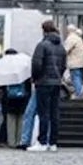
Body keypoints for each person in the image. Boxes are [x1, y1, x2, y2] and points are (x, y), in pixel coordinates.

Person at [31, 20, 67, 152]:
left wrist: (35, 78)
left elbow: (36, 64)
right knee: (54, 113)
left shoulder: (42, 45)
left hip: (43, 82)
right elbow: (63, 65)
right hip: (56, 82)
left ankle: (42, 141)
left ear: (44, 30)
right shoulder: (61, 47)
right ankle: (53, 142)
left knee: (43, 113)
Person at [0, 49, 30, 149]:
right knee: (21, 121)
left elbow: (0, 85)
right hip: (22, 99)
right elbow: (28, 85)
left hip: (8, 100)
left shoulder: (4, 68)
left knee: (10, 121)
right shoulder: (24, 67)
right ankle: (19, 141)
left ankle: (11, 142)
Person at [64, 24, 83, 100]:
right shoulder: (78, 38)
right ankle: (80, 93)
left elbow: (65, 50)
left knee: (75, 78)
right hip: (81, 62)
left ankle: (78, 94)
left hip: (74, 62)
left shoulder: (71, 38)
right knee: (78, 77)